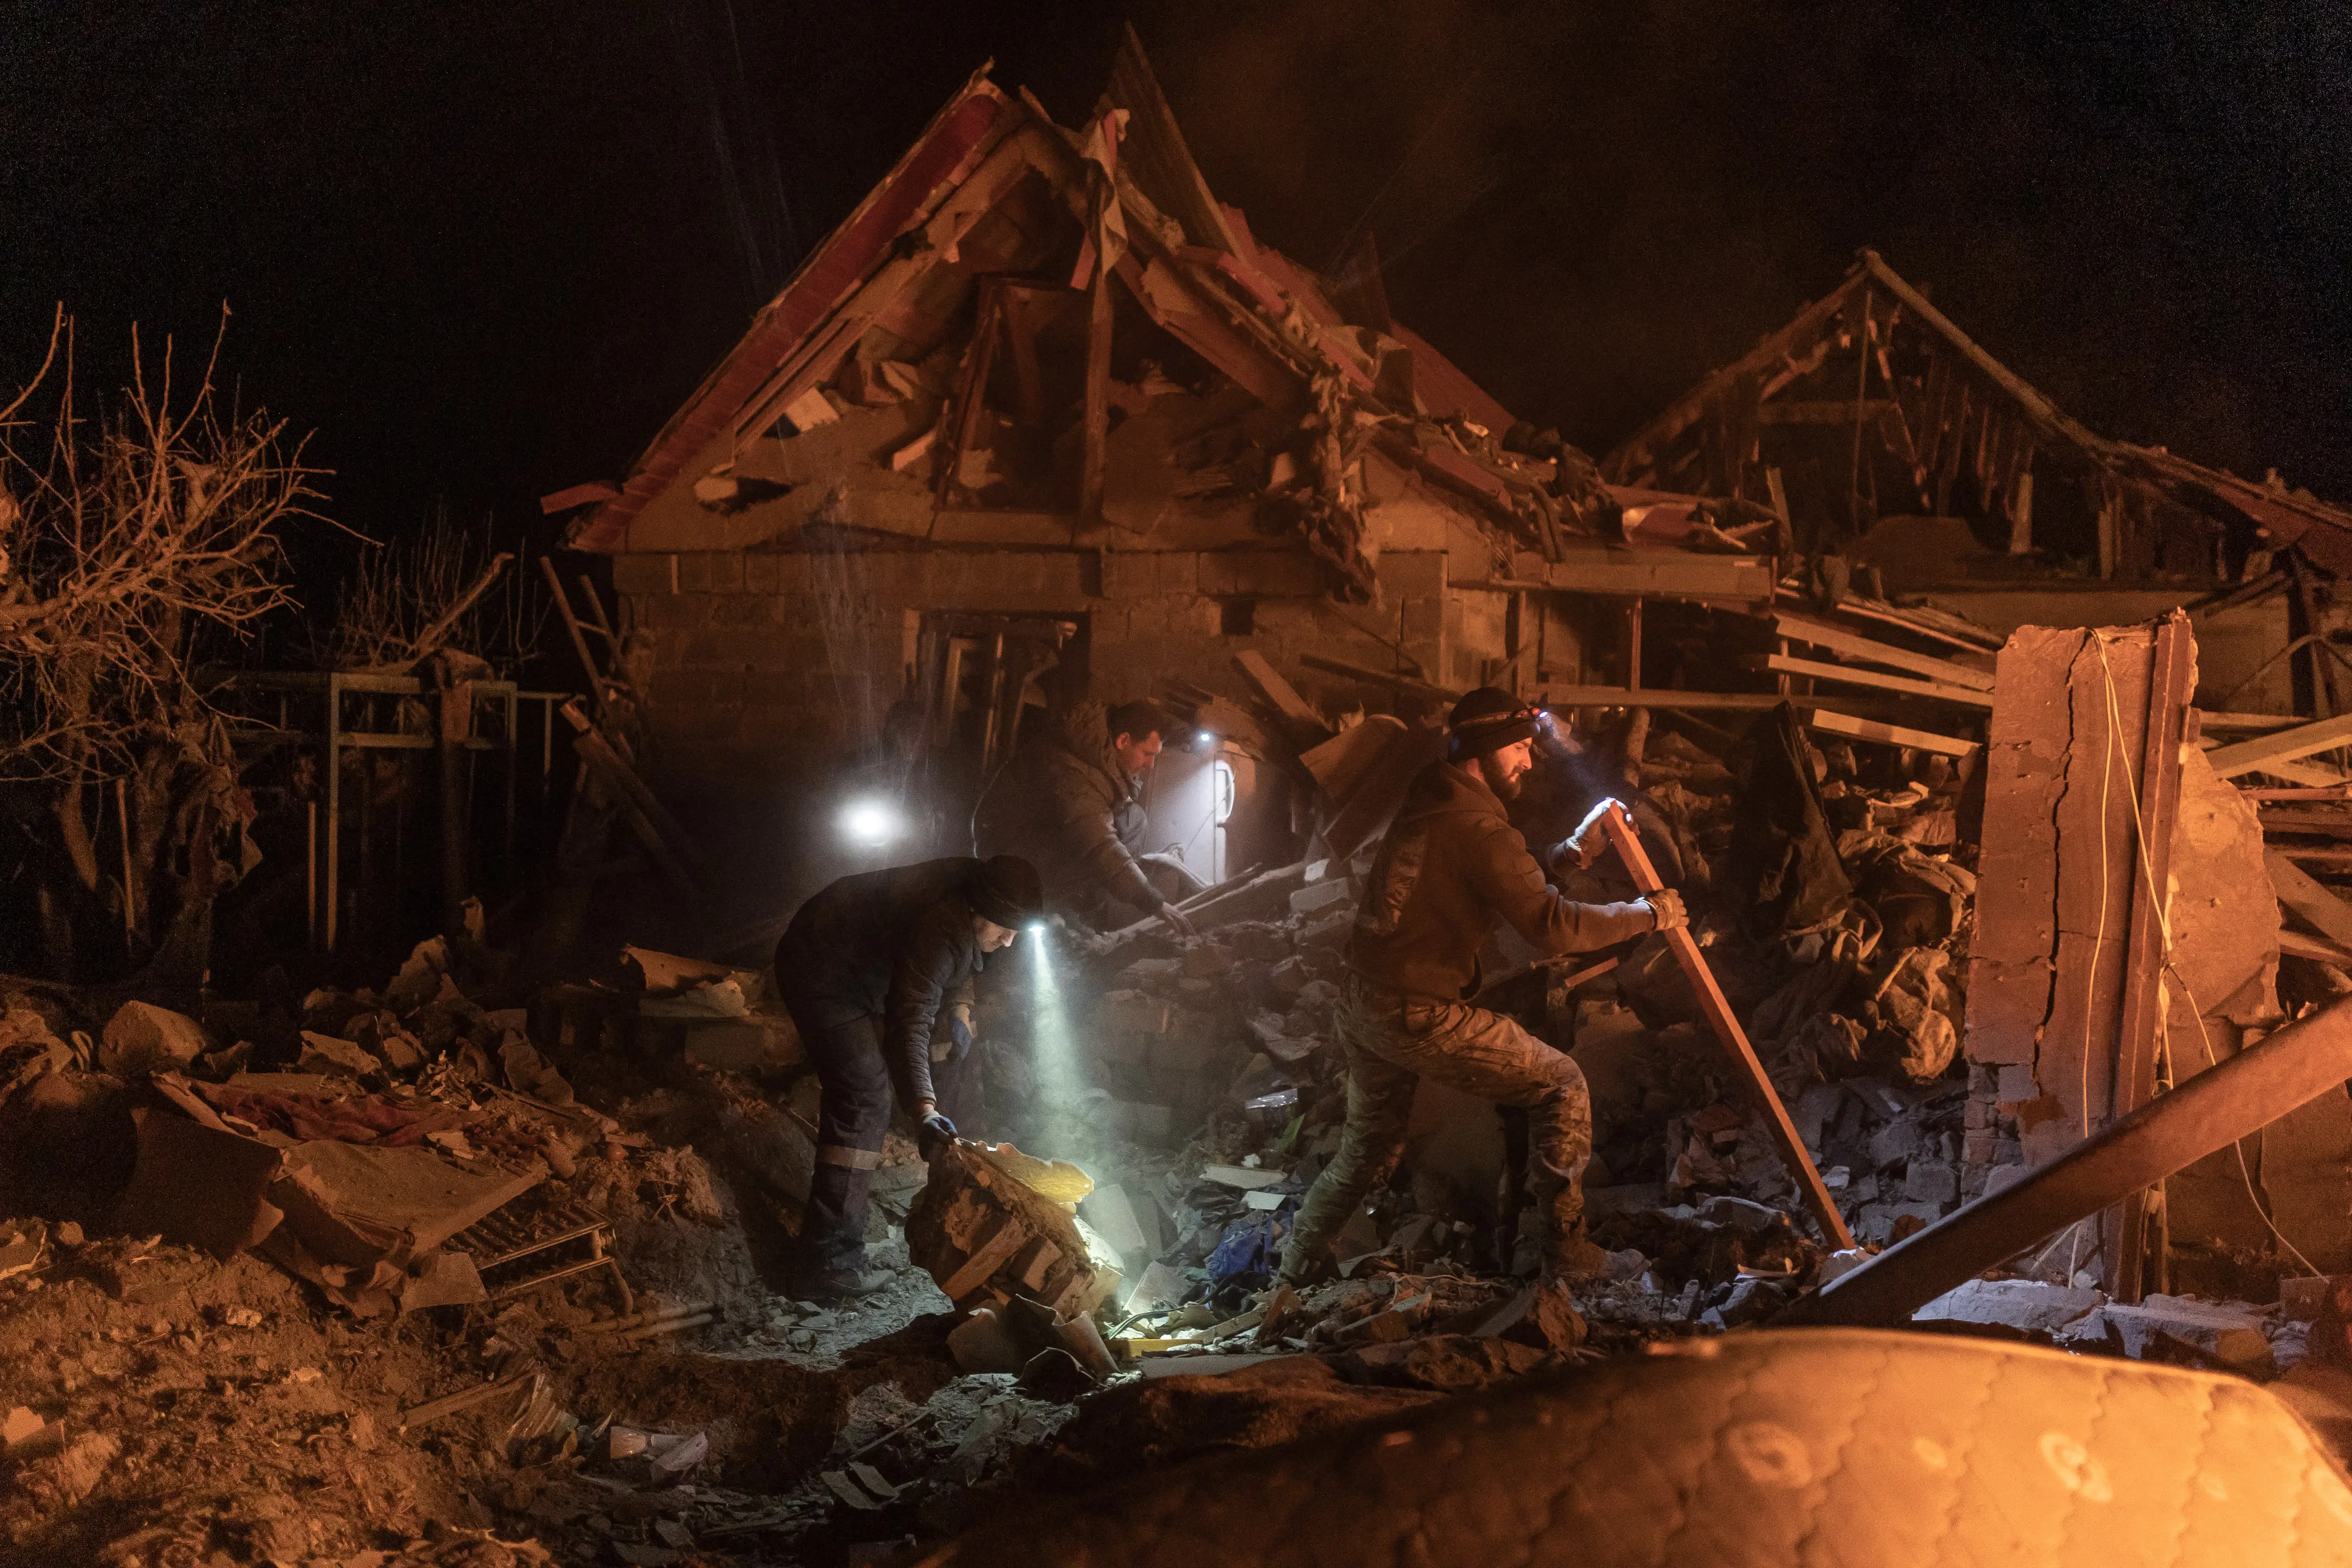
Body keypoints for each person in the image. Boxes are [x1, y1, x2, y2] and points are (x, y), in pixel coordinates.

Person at [1279, 688, 1688, 1285]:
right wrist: (1646, 914)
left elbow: (1491, 880)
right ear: (1484, 751)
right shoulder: (1476, 825)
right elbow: (1550, 925)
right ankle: (1568, 1255)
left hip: (1363, 1002)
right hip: (1416, 1012)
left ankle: (1293, 1271)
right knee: (1561, 1085)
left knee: (1366, 1148)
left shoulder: (1433, 797)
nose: (1527, 761)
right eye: (1519, 748)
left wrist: (1569, 856)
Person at [771, 854, 1045, 1300]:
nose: (1010, 941)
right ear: (976, 909)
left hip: (860, 962)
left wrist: (958, 1005)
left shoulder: (974, 895)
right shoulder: (942, 924)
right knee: (864, 1095)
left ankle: (832, 1252)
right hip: (822, 965)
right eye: (1003, 928)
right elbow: (910, 1021)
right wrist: (923, 1108)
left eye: (1017, 931)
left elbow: (959, 961)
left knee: (885, 1082)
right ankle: (828, 1264)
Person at [973, 697, 1200, 935]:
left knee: (1134, 819)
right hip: (1007, 852)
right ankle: (1055, 910)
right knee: (1101, 845)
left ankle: (1081, 908)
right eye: (1146, 753)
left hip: (1038, 837)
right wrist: (1153, 902)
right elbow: (1099, 844)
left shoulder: (1098, 754)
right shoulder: (1071, 769)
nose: (1151, 764)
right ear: (1123, 741)